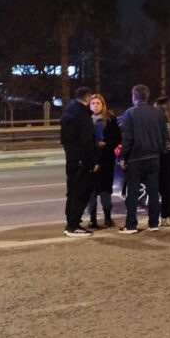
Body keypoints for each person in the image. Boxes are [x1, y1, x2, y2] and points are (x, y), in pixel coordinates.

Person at [119, 84, 168, 234]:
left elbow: (127, 138)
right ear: (147, 96)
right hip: (154, 157)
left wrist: (123, 157)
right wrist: (160, 150)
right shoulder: (158, 113)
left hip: (135, 158)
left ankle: (131, 225)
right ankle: (153, 223)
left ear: (134, 97)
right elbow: (165, 136)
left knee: (132, 193)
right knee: (153, 192)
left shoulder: (130, 113)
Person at [60, 87, 99, 237]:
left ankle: (70, 221)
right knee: (81, 192)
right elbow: (87, 141)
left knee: (72, 192)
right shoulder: (83, 115)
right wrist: (94, 159)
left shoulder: (69, 112)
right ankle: (74, 225)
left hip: (71, 158)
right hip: (82, 160)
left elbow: (64, 139)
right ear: (88, 98)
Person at [87, 93, 121, 229]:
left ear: (103, 105)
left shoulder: (110, 119)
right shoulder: (86, 120)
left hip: (106, 160)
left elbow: (117, 138)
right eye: (93, 103)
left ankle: (107, 217)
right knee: (91, 192)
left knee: (106, 190)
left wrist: (106, 144)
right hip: (91, 160)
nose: (95, 106)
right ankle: (92, 219)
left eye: (98, 103)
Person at [154, 96, 170, 226]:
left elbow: (161, 142)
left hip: (163, 157)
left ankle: (164, 216)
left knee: (164, 189)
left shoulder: (162, 123)